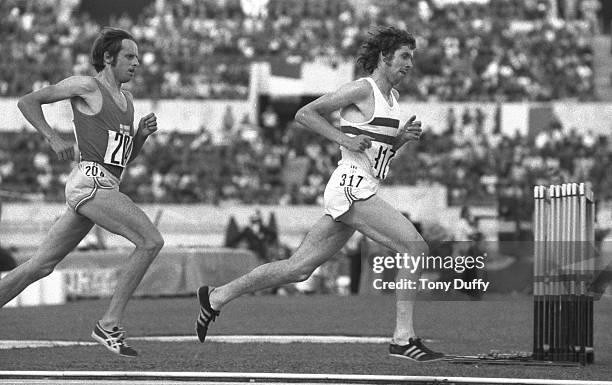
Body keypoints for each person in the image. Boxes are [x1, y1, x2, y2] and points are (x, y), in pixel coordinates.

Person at [196, 26, 444, 362]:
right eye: (404, 56)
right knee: (413, 246)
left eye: (411, 58)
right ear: (384, 57)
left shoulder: (393, 100)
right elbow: (305, 114)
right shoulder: (362, 88)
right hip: (351, 186)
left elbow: (373, 154)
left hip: (359, 185)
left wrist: (400, 140)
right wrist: (343, 140)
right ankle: (403, 338)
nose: (410, 64)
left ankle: (216, 297)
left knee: (298, 269)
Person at [0, 27, 164, 357]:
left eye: (137, 57)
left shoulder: (127, 100)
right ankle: (109, 324)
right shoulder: (87, 86)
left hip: (104, 184)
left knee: (40, 266)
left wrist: (141, 136)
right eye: (129, 56)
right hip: (90, 183)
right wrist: (52, 137)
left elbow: (121, 161)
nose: (137, 63)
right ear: (108, 57)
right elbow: (28, 101)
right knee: (151, 241)